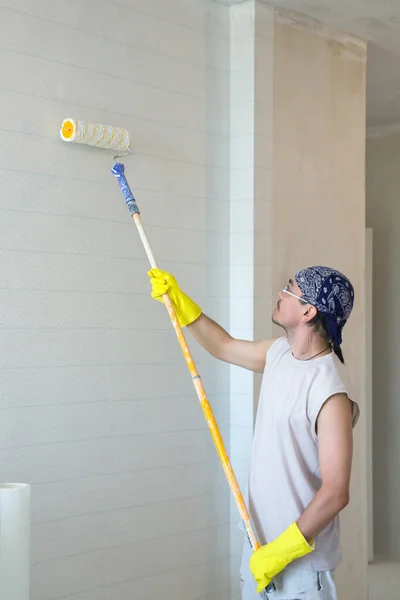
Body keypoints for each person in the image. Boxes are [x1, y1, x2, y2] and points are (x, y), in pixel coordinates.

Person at [148, 265, 359, 599]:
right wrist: (179, 301)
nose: (280, 293)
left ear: (308, 310)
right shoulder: (278, 354)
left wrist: (281, 552)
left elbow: (336, 493)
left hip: (301, 568)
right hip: (258, 547)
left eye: (288, 288)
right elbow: (224, 346)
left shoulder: (329, 394)